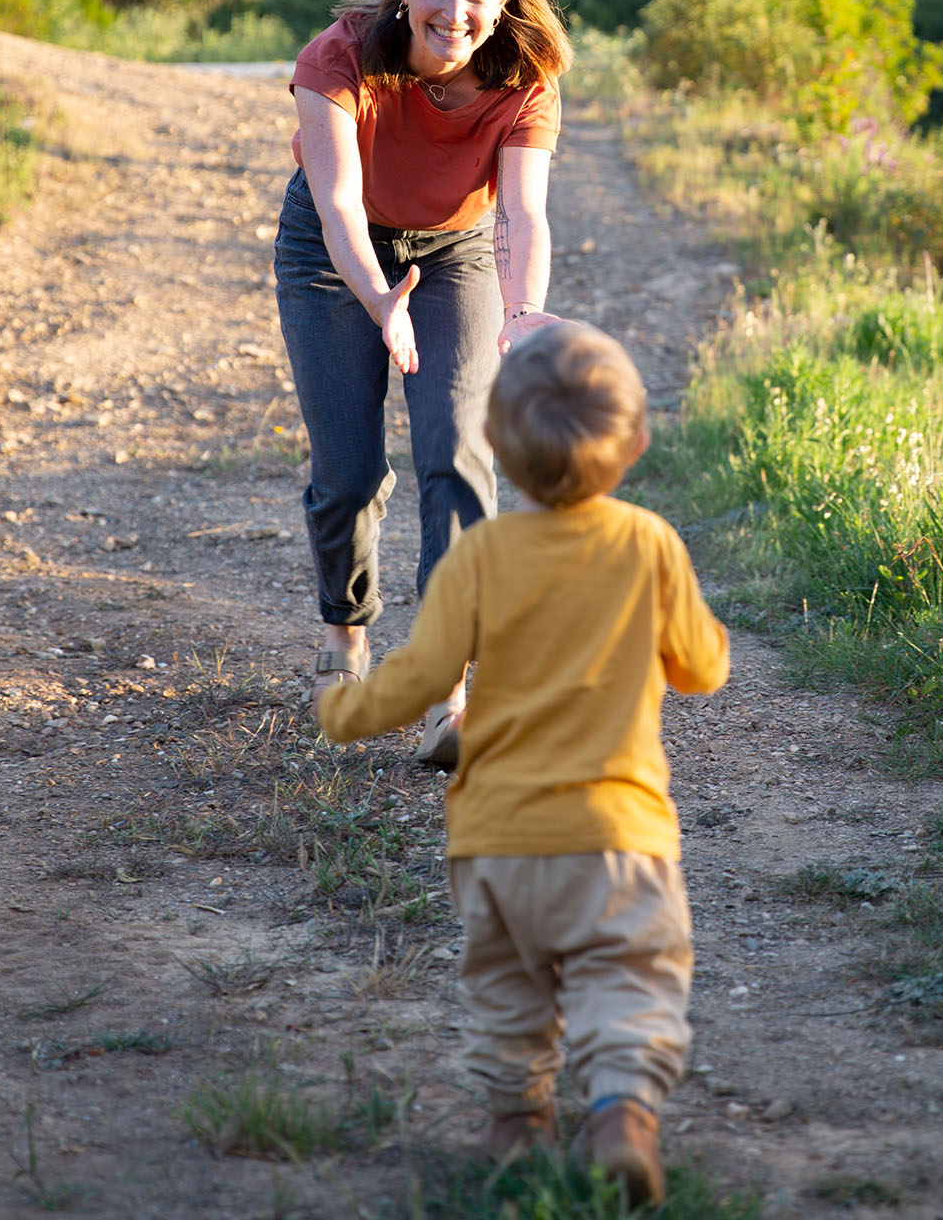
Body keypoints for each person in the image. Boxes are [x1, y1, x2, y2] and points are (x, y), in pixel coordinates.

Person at [313, 322, 730, 1205]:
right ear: (639, 445)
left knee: (508, 990)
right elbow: (703, 667)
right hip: (619, 834)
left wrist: (345, 709)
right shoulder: (649, 545)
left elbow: (422, 677)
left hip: (497, 841)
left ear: (494, 444)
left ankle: (515, 1125)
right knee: (629, 978)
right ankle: (620, 1113)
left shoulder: (480, 558)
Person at [274, 0, 573, 762]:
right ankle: (345, 638)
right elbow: (333, 205)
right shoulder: (338, 57)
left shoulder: (524, 77)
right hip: (334, 254)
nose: (455, 12)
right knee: (349, 470)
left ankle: (449, 691)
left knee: (458, 452)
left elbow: (522, 211)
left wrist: (520, 318)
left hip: (456, 254)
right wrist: (378, 299)